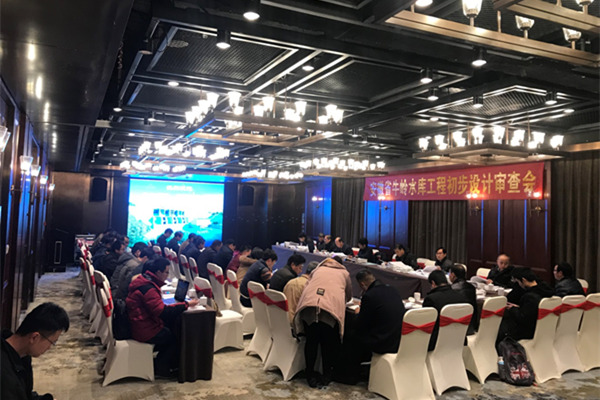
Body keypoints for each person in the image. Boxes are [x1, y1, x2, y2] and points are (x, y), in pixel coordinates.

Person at [126, 258, 198, 378]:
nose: (167, 275)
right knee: (175, 337)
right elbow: (162, 312)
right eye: (166, 272)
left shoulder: (143, 281)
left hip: (139, 323)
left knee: (172, 328)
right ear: (158, 272)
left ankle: (165, 363)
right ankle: (163, 368)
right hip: (144, 329)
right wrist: (186, 305)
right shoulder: (149, 289)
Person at [340, 269, 406, 384]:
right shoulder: (392, 289)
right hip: (397, 337)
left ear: (362, 284)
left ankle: (349, 376)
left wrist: (358, 313)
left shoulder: (370, 296)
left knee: (350, 335)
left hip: (382, 341)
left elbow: (361, 324)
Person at [294, 257, 352, 388]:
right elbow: (348, 295)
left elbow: (307, 285)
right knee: (328, 343)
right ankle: (326, 375)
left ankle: (309, 374)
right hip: (329, 311)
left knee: (311, 341)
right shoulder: (344, 273)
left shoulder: (317, 269)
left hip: (309, 307)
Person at [1, 302, 70, 400]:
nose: (49, 348)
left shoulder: (22, 354)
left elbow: (24, 394)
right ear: (34, 337)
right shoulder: (4, 374)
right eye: (52, 342)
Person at [496, 267, 553, 347]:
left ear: (524, 280)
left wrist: (513, 309)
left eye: (518, 282)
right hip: (545, 329)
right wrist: (519, 308)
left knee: (499, 328)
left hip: (527, 332)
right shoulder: (547, 290)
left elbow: (524, 318)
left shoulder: (530, 296)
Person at [422, 270, 470, 351]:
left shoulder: (431, 299)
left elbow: (427, 323)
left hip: (437, 342)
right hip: (459, 340)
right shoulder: (461, 297)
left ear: (433, 283)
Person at [449, 265, 479, 335]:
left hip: (456, 327)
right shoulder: (472, 287)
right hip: (471, 326)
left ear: (453, 275)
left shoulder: (451, 289)